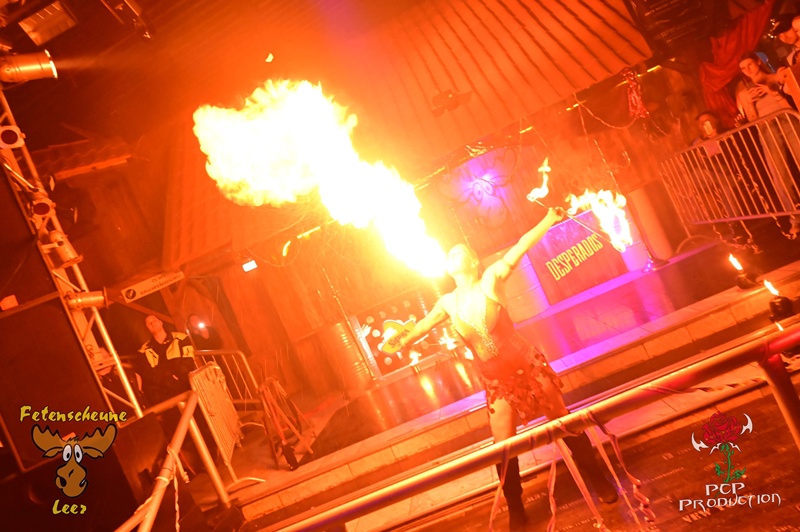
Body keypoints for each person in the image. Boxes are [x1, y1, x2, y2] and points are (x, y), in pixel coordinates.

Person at [383, 208, 617, 530]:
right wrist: (400, 341)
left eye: (458, 252)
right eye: (449, 255)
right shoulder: (448, 302)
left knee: (563, 422)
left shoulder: (491, 279)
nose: (452, 255)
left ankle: (599, 480)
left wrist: (549, 218)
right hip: (497, 384)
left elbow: (521, 245)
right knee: (503, 450)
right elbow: (421, 327)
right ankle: (516, 509)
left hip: (528, 368)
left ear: (473, 261)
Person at [735, 52, 800, 236]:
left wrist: (774, 93)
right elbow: (753, 120)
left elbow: (792, 105)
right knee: (779, 174)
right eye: (743, 68)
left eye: (750, 64)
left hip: (788, 120)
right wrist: (750, 104)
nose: (748, 70)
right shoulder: (744, 92)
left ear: (758, 61)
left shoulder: (776, 78)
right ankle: (795, 217)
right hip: (767, 128)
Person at [138, 314, 197, 405]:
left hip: (185, 385)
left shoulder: (181, 338)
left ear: (161, 322)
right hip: (163, 391)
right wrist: (166, 379)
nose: (152, 323)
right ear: (147, 328)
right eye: (149, 323)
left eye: (154, 320)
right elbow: (147, 372)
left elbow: (188, 359)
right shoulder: (144, 350)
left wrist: (178, 378)